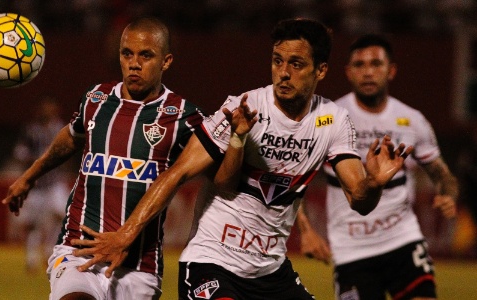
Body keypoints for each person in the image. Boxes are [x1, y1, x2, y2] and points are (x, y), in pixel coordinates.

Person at [70, 18, 413, 300]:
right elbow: (177, 175)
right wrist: (125, 235)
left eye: (296, 64)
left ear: (320, 71)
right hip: (212, 263)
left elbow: (360, 200)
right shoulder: (243, 107)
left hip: (271, 273)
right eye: (278, 61)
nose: (283, 73)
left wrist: (375, 183)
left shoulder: (333, 120)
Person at [2, 17, 205, 300]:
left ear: (166, 61)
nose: (134, 63)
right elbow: (72, 136)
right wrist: (29, 176)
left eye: (146, 55)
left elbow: (219, 168)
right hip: (79, 253)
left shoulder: (184, 116)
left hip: (139, 268)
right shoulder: (96, 99)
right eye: (127, 54)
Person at [297, 34, 458, 300]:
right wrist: (305, 230)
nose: (368, 72)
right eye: (359, 65)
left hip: (403, 241)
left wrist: (448, 194)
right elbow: (293, 177)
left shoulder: (412, 120)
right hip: (352, 250)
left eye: (376, 64)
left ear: (391, 70)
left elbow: (442, 174)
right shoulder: (329, 119)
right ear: (348, 72)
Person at [9, 97, 70, 273]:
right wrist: (37, 161)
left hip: (55, 183)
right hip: (36, 185)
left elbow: (69, 149)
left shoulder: (60, 128)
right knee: (32, 224)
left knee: (62, 216)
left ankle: (50, 250)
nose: (48, 112)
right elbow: (19, 153)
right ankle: (31, 259)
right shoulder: (31, 130)